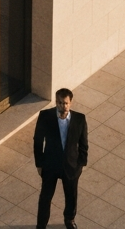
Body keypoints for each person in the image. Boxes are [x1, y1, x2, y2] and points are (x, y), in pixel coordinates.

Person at [33, 88, 88, 229]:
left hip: (70, 166)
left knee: (71, 196)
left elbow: (83, 144)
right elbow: (38, 141)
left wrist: (80, 165)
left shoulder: (80, 119)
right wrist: (39, 164)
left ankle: (69, 220)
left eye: (65, 103)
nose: (62, 106)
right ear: (56, 102)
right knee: (45, 197)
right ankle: (41, 224)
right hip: (50, 164)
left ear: (70, 103)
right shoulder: (45, 116)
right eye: (59, 103)